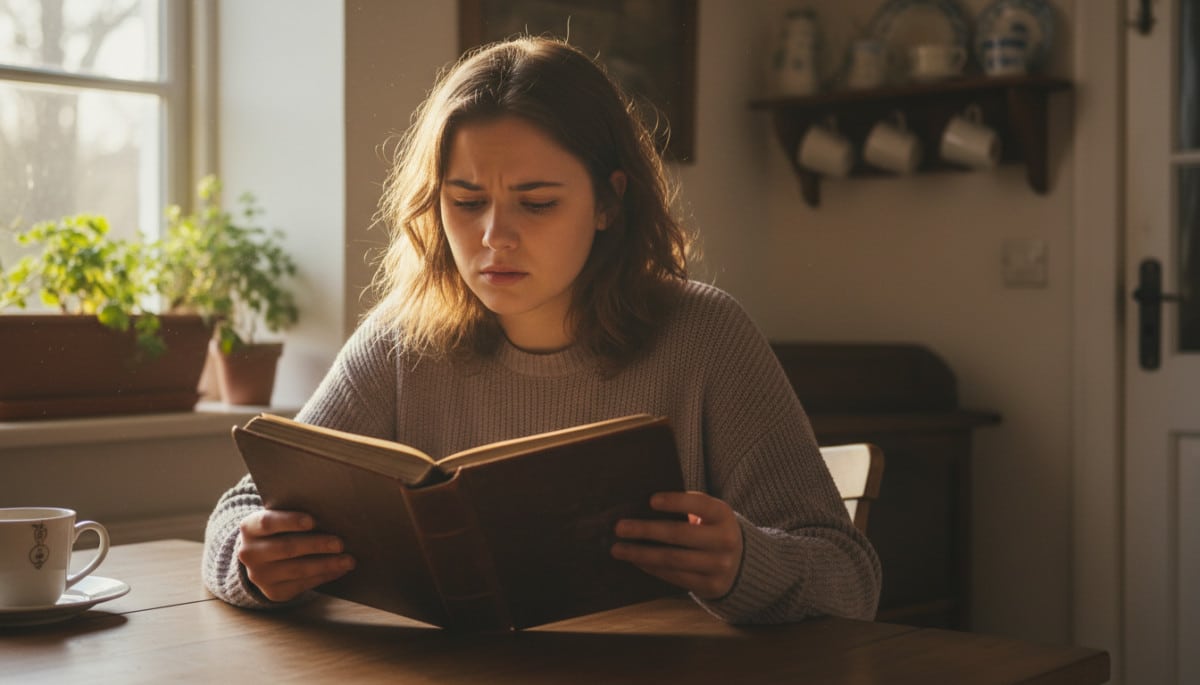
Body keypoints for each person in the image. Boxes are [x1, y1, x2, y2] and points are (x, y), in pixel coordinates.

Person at [203, 36, 881, 624]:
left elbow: (850, 578)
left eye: (538, 203)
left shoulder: (705, 335)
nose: (494, 237)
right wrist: (253, 559)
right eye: (465, 202)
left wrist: (745, 564)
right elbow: (236, 511)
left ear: (610, 201)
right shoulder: (401, 340)